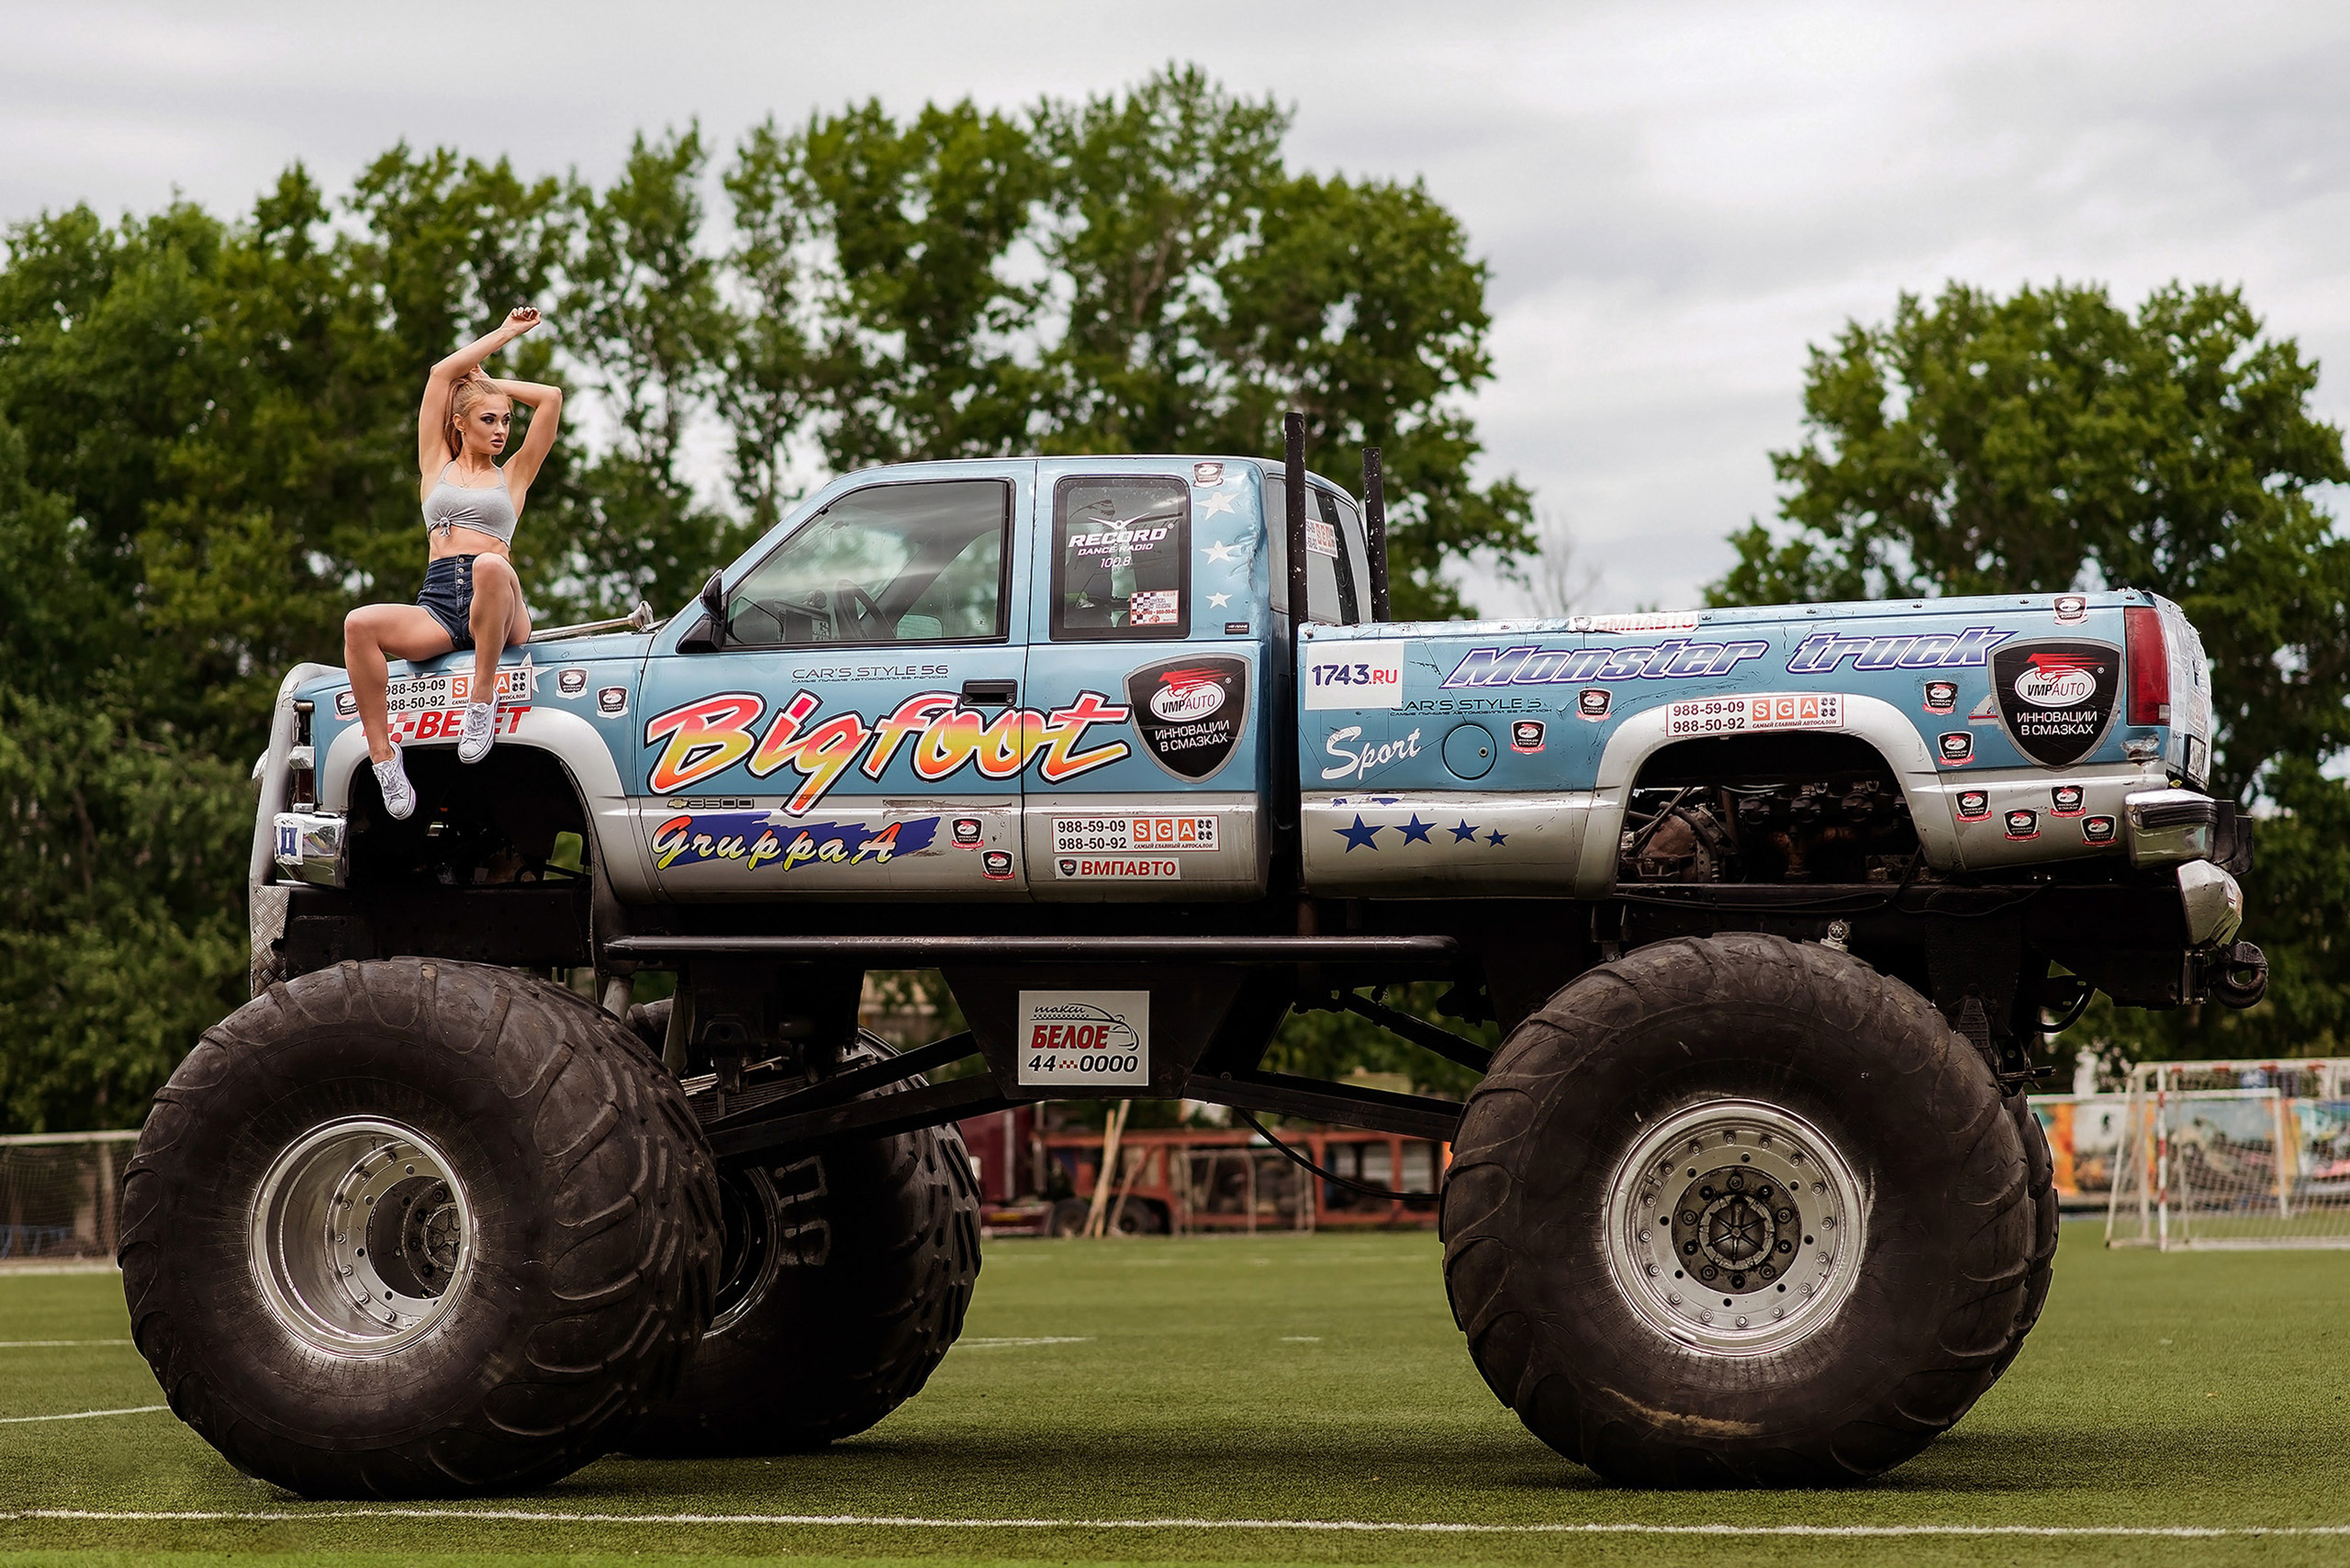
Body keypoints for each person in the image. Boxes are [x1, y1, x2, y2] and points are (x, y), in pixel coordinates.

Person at [343, 308, 563, 819]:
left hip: (500, 605)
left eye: (507, 420)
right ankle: (383, 758)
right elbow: (441, 375)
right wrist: (504, 334)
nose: (502, 429)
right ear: (459, 424)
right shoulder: (434, 466)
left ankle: (481, 704)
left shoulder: (514, 477)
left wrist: (489, 382)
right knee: (358, 624)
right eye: (489, 419)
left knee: (488, 565)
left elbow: (550, 399)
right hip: (440, 602)